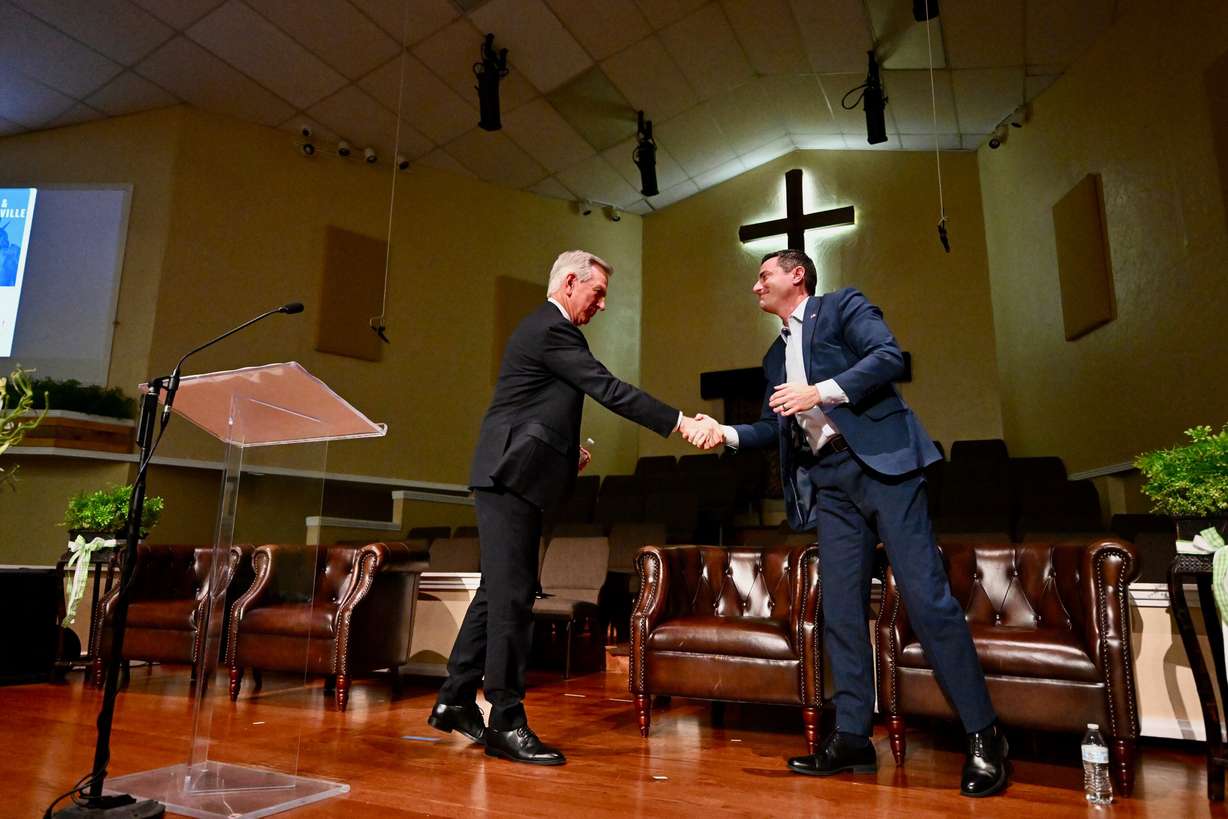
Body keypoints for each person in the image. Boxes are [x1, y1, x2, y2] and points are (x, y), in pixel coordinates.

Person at [684, 249, 1008, 797]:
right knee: (839, 608)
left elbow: (887, 357)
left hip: (885, 467)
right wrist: (726, 433)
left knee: (926, 599)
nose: (755, 286)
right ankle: (854, 737)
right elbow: (773, 426)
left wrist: (819, 391)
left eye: (763, 275)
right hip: (830, 484)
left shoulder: (841, 307)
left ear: (797, 275)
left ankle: (984, 734)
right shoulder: (773, 357)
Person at [429, 249, 712, 766]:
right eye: (597, 293)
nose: (601, 305)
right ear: (568, 284)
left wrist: (564, 451)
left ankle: (455, 698)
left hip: (511, 473)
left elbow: (533, 407)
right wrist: (679, 422)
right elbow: (607, 388)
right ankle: (506, 721)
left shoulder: (544, 330)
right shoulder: (552, 328)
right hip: (509, 478)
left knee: (498, 592)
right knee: (513, 599)